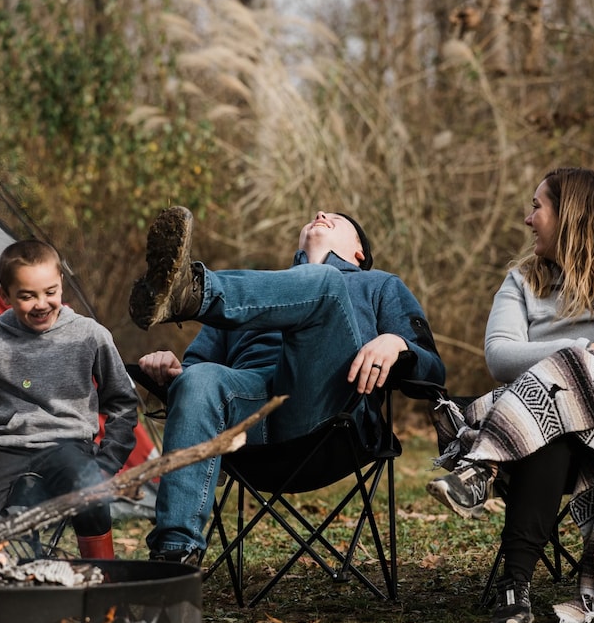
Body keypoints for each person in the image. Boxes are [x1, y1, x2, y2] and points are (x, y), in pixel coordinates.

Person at [426, 167, 594, 623]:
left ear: (568, 215)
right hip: (543, 433)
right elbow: (500, 357)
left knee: (587, 371)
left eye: (536, 207)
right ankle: (515, 590)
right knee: (556, 426)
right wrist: (583, 350)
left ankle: (481, 466)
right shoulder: (522, 281)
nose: (528, 220)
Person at [129, 206, 446, 564]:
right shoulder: (251, 290)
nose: (321, 212)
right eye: (317, 213)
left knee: (323, 282)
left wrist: (399, 344)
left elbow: (433, 372)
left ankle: (193, 294)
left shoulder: (378, 284)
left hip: (327, 414)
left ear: (359, 253)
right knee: (199, 379)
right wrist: (173, 372)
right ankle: (174, 557)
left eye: (337, 219)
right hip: (248, 417)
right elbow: (198, 368)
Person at [0, 239, 140, 559]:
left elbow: (122, 402)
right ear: (5, 296)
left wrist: (107, 462)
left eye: (50, 292)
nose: (41, 303)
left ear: (61, 285)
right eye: (27, 296)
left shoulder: (89, 334)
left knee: (92, 496)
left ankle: (104, 578)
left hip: (68, 444)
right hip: (4, 447)